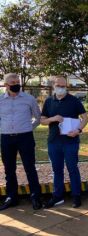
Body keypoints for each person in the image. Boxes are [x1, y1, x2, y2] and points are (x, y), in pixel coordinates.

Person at [40, 76, 88, 208]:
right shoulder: (49, 101)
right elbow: (42, 120)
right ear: (53, 86)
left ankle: (76, 196)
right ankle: (57, 196)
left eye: (64, 86)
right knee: (57, 170)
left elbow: (85, 118)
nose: (61, 88)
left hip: (71, 142)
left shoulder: (74, 100)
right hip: (54, 142)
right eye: (59, 85)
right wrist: (53, 119)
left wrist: (78, 130)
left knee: (73, 169)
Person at [0, 73, 42, 211]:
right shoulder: (0, 100)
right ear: (6, 85)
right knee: (9, 169)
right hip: (6, 138)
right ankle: (12, 197)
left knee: (30, 167)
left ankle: (35, 197)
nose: (16, 84)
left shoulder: (29, 99)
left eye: (17, 81)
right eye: (13, 82)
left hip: (25, 137)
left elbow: (38, 117)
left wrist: (29, 128)